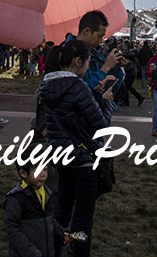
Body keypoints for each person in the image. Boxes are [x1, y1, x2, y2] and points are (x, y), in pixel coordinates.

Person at [39, 38, 113, 257]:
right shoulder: (77, 86)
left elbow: (71, 116)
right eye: (88, 62)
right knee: (82, 218)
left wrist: (95, 94)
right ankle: (78, 252)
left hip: (61, 157)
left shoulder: (47, 86)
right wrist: (106, 102)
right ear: (78, 61)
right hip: (84, 160)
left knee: (61, 211)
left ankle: (53, 249)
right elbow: (100, 125)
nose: (89, 66)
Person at [4, 155, 65, 257]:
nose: (44, 175)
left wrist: (60, 232)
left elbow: (49, 218)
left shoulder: (47, 193)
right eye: (38, 170)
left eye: (45, 169)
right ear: (23, 173)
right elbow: (12, 230)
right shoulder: (16, 199)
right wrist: (30, 252)